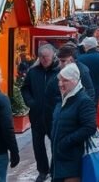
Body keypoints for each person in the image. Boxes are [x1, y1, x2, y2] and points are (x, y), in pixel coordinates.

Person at [50, 63, 97, 182]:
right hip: (58, 161)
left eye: (65, 80)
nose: (60, 84)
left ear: (75, 80)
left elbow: (90, 127)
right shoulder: (63, 99)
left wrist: (66, 142)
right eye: (59, 80)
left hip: (73, 162)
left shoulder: (83, 101)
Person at [21, 45, 59, 182]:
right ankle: (42, 170)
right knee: (38, 144)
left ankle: (55, 169)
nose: (44, 60)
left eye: (46, 57)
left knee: (55, 143)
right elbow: (25, 89)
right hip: (37, 115)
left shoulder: (58, 71)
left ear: (53, 55)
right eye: (41, 57)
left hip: (53, 115)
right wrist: (30, 102)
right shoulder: (33, 72)